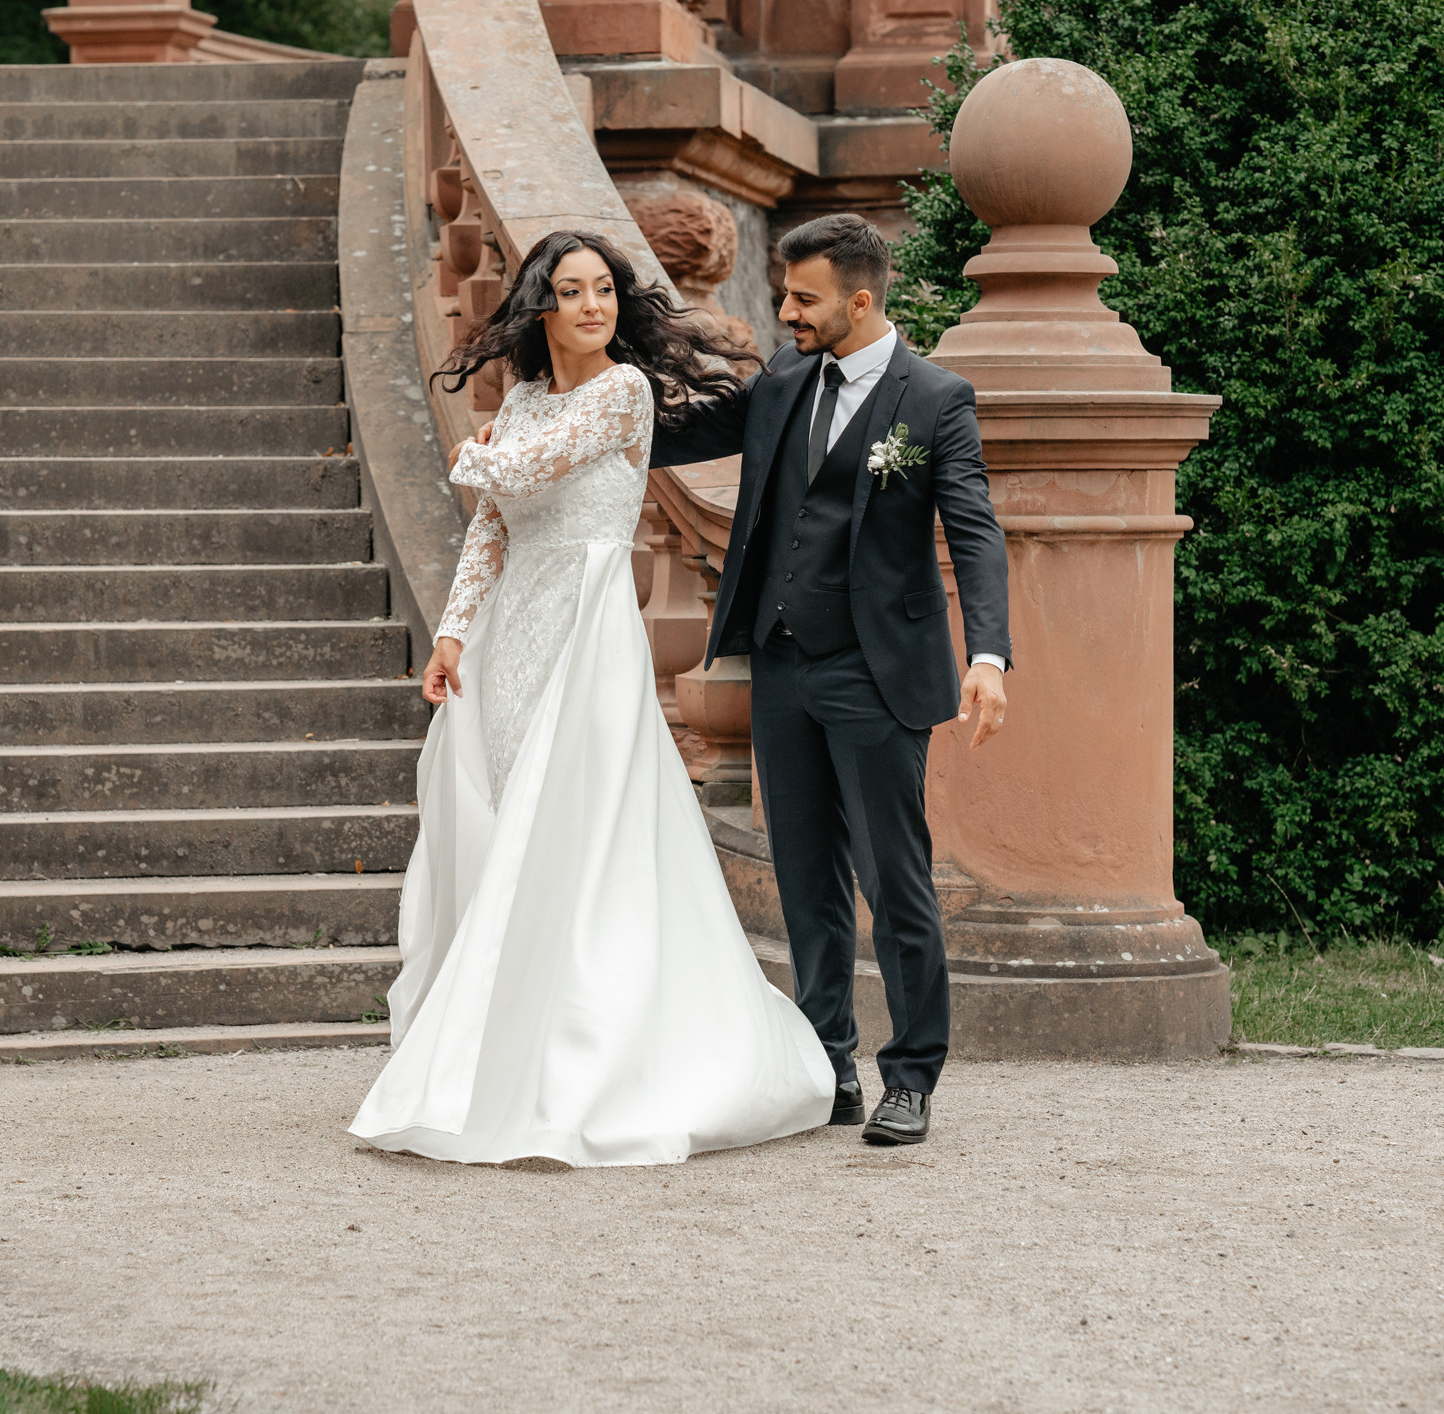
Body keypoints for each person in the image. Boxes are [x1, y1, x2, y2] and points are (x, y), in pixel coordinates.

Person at [348, 230, 836, 1167]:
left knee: (573, 819)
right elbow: (492, 526)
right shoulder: (524, 396)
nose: (592, 306)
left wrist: (473, 450)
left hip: (588, 623)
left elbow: (525, 472)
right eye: (570, 292)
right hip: (512, 631)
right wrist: (453, 632)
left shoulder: (624, 392)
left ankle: (583, 1060)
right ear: (541, 308)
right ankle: (500, 1041)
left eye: (604, 289)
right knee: (503, 819)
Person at [649, 212, 1011, 1147]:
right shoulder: (779, 379)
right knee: (806, 874)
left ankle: (912, 1074)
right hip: (781, 664)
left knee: (897, 879)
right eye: (784, 294)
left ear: (860, 299)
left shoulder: (936, 399)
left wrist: (988, 656)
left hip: (876, 672)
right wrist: (566, 409)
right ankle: (825, 1062)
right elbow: (676, 434)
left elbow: (973, 530)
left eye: (803, 298)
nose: (785, 311)